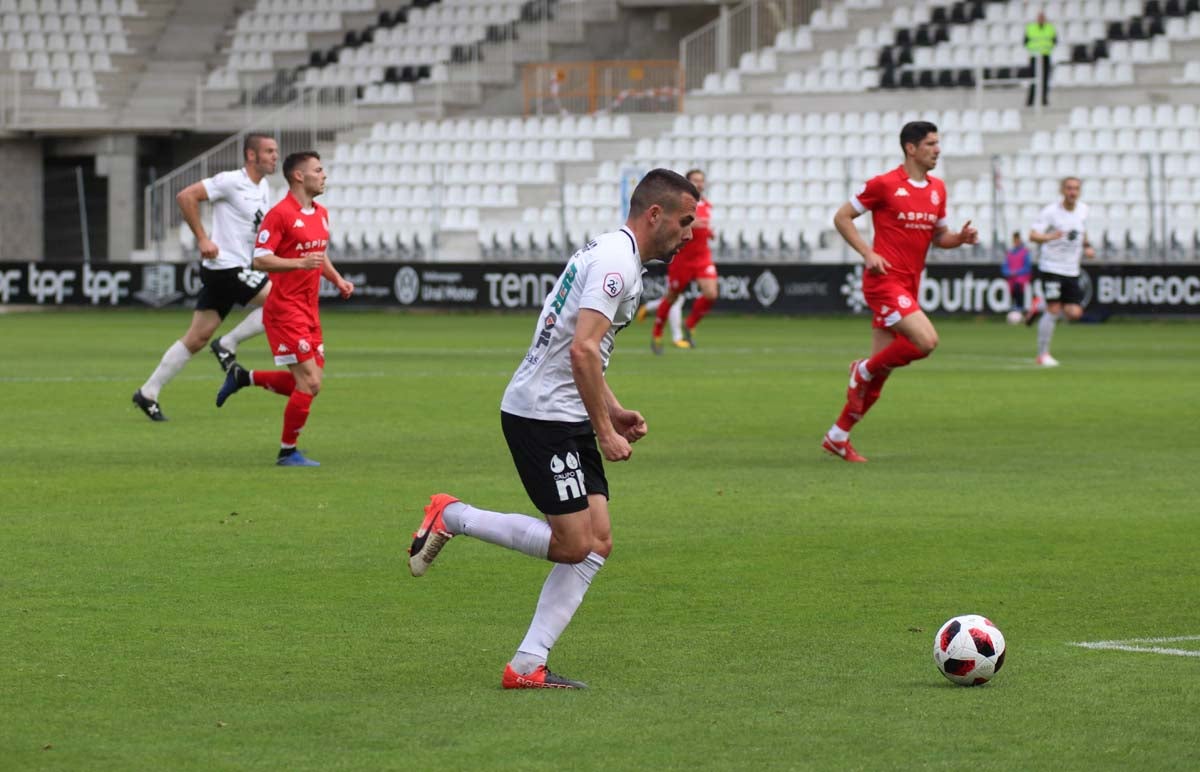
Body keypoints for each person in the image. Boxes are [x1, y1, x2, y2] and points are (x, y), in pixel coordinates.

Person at [406, 169, 698, 689]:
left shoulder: (615, 253)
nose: (691, 232)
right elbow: (582, 349)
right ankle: (452, 515)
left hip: (566, 412)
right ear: (655, 215)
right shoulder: (615, 262)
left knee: (598, 541)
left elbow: (582, 349)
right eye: (685, 220)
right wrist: (605, 431)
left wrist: (613, 409)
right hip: (543, 415)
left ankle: (526, 665)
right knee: (572, 544)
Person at [822, 121, 978, 463]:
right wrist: (867, 252)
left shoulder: (937, 189)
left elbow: (940, 237)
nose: (937, 149)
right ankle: (860, 369)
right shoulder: (884, 184)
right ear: (911, 148)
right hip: (884, 282)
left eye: (938, 143)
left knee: (882, 373)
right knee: (926, 342)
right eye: (931, 144)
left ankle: (838, 435)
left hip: (909, 285)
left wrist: (960, 240)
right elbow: (842, 217)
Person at [214, 151, 355, 466]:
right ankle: (287, 452)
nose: (324, 175)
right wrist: (299, 262)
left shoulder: (321, 213)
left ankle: (242, 378)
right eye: (318, 170)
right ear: (299, 176)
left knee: (306, 383)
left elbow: (319, 254)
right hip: (284, 310)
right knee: (311, 382)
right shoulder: (279, 214)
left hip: (309, 310)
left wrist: (337, 279)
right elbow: (260, 258)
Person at [132, 133, 278, 421]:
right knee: (281, 301)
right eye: (269, 151)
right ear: (251, 155)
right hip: (225, 266)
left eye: (275, 151)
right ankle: (227, 344)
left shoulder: (265, 188)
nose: (275, 156)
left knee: (196, 337)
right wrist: (202, 239)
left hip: (233, 268)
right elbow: (186, 196)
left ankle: (148, 392)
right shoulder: (230, 180)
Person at [647, 168, 716, 354]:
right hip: (683, 257)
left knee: (711, 294)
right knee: (672, 297)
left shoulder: (708, 205)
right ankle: (657, 333)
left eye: (701, 180)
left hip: (702, 256)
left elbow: (703, 227)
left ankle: (690, 324)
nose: (699, 184)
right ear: (687, 182)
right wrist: (692, 223)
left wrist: (709, 233)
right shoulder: (679, 203)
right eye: (695, 180)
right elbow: (672, 223)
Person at [1025, 177, 1093, 367]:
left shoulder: (1083, 210)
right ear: (1062, 190)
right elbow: (1032, 235)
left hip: (1072, 269)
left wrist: (1087, 246)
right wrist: (1049, 236)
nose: (1073, 192)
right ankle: (1042, 354)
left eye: (1076, 189)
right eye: (1069, 188)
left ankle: (1038, 307)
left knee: (1074, 313)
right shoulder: (1051, 212)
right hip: (1052, 267)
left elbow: (1082, 231)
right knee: (1054, 309)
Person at [1024, 10, 1056, 107]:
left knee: (1045, 79)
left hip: (1045, 56)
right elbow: (1025, 42)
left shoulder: (1050, 28)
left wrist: (1045, 48)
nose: (1041, 19)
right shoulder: (1031, 28)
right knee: (1033, 79)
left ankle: (1044, 100)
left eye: (1043, 17)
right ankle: (1030, 101)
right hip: (1034, 57)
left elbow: (1054, 41)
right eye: (1040, 17)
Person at [1002, 231, 1032, 313]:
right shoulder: (1009, 253)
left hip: (1022, 277)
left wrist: (1017, 272)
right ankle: (1015, 307)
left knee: (1018, 287)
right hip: (1011, 278)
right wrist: (1009, 273)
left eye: (1017, 240)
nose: (1016, 242)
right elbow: (1004, 268)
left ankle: (1020, 308)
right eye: (1015, 240)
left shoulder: (1025, 252)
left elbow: (1027, 268)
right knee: (1013, 290)